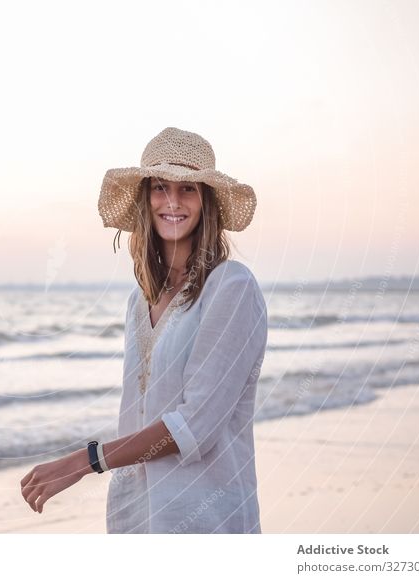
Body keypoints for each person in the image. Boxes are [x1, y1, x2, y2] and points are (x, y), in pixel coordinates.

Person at [20, 127, 268, 534]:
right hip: (135, 520)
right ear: (145, 199)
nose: (172, 201)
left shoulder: (231, 287)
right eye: (159, 187)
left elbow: (195, 427)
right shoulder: (139, 302)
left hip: (208, 525)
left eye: (188, 188)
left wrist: (85, 461)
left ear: (207, 202)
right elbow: (133, 419)